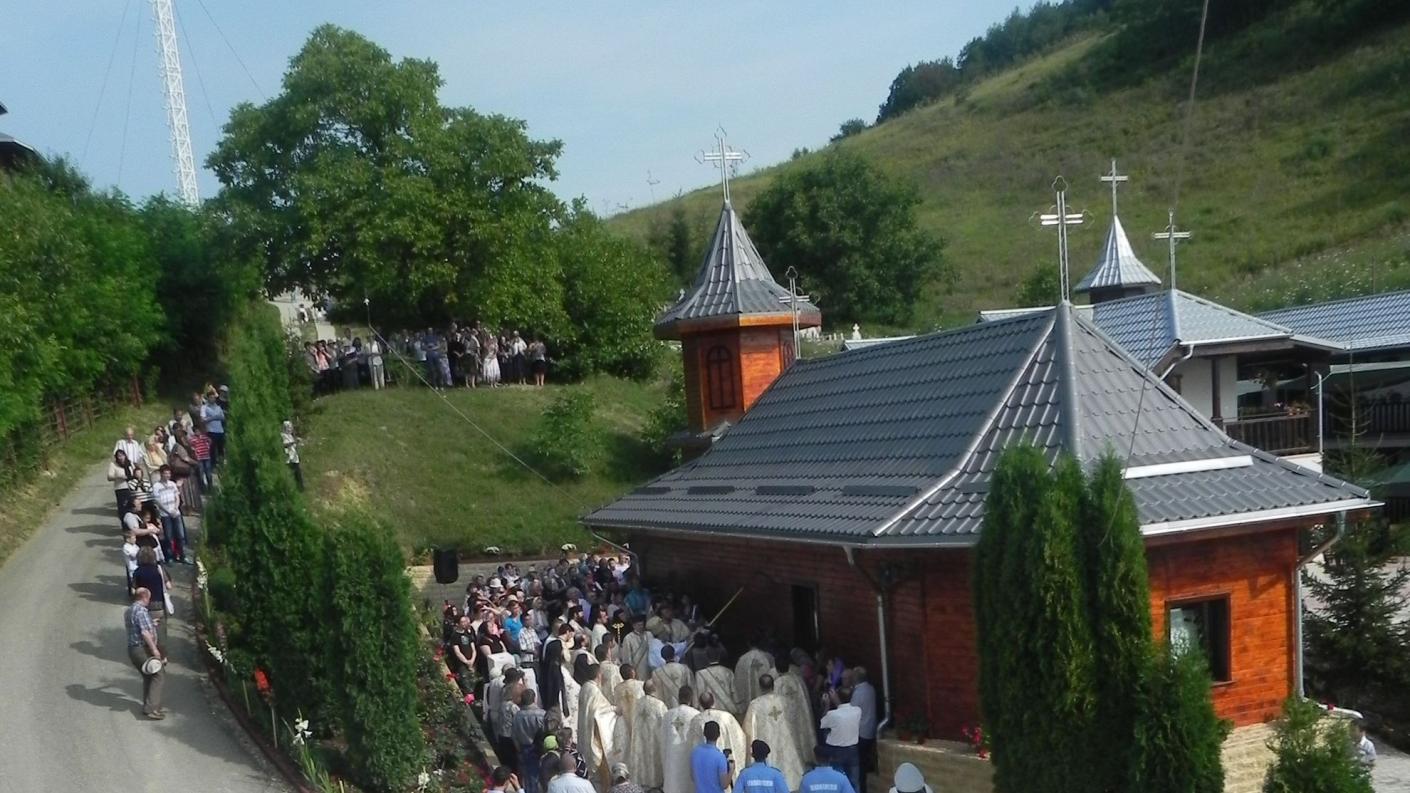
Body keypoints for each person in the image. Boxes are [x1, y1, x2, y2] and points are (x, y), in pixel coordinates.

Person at [742, 674, 806, 791]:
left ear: (760, 687)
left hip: (767, 740)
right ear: (773, 685)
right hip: (786, 741)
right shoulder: (785, 701)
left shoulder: (755, 704)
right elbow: (795, 722)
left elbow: (749, 729)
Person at [577, 663, 627, 788]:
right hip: (595, 735)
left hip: (586, 732)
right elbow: (599, 712)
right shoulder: (593, 690)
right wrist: (615, 709)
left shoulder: (584, 688)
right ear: (598, 675)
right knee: (601, 771)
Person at [126, 587, 166, 719]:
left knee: (148, 675)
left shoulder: (129, 610)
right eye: (149, 598)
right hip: (141, 648)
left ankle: (148, 705)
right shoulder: (141, 611)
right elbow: (144, 633)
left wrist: (151, 623)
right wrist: (154, 650)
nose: (149, 601)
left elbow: (137, 627)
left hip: (132, 649)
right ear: (144, 597)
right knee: (158, 674)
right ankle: (151, 709)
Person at [688, 692, 747, 777]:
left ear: (700, 704)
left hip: (704, 769)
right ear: (714, 702)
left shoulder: (696, 721)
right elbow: (740, 738)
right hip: (726, 768)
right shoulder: (726, 717)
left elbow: (692, 745)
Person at [820, 686, 862, 793]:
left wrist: (827, 704)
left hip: (836, 751)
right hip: (853, 750)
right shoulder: (857, 710)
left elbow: (822, 723)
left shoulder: (833, 714)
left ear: (836, 697)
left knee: (837, 782)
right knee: (854, 782)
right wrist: (837, 700)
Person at [661, 685, 701, 793]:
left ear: (678, 698)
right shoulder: (696, 715)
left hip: (672, 756)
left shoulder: (668, 715)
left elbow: (663, 739)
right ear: (691, 698)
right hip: (688, 755)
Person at [132, 547, 171, 646]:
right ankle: (162, 651)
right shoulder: (159, 569)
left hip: (144, 607)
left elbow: (133, 591)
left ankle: (150, 651)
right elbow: (168, 586)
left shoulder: (137, 572)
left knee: (146, 632)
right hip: (158, 605)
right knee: (161, 633)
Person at [150, 465, 188, 564]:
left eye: (169, 473)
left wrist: (175, 508)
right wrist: (168, 511)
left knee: (180, 535)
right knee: (168, 536)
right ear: (161, 474)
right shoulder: (156, 486)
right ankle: (169, 557)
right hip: (165, 514)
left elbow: (177, 497)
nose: (167, 475)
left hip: (176, 513)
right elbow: (158, 502)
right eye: (165, 473)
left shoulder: (172, 484)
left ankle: (182, 556)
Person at [513, 690, 548, 793]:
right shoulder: (542, 714)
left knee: (528, 777)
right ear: (534, 699)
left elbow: (514, 735)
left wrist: (518, 748)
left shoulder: (517, 716)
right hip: (540, 748)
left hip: (524, 748)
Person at [851, 668, 878, 793]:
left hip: (861, 733)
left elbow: (851, 713)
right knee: (864, 763)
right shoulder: (871, 689)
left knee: (859, 767)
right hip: (870, 730)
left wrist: (836, 700)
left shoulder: (859, 693)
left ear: (855, 678)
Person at [689, 720, 734, 793]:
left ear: (704, 733)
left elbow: (692, 777)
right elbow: (724, 785)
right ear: (719, 735)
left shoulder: (695, 753)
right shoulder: (720, 757)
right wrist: (731, 770)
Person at [694, 651, 740, 716]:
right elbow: (734, 693)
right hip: (727, 712)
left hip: (709, 713)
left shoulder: (700, 674)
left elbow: (699, 694)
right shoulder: (728, 672)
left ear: (707, 657)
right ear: (719, 656)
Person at [734, 639, 774, 707]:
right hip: (764, 701)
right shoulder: (767, 657)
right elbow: (773, 674)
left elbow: (738, 679)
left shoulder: (742, 659)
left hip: (746, 702)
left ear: (748, 644)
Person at [449, 614, 478, 695]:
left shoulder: (468, 633)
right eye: (462, 622)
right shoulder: (455, 636)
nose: (465, 623)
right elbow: (457, 652)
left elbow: (473, 649)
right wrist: (466, 662)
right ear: (457, 624)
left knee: (474, 681)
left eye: (465, 621)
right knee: (466, 683)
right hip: (462, 664)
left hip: (472, 661)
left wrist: (472, 660)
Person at [619, 615, 652, 682]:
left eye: (642, 624)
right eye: (639, 625)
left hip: (649, 666)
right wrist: (630, 671)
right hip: (637, 668)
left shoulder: (649, 635)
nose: (641, 627)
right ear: (633, 626)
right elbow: (627, 656)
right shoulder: (628, 638)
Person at [108, 449, 139, 517]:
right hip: (121, 488)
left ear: (125, 455)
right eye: (119, 456)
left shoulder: (130, 463)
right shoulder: (113, 464)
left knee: (133, 503)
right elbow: (109, 477)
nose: (121, 457)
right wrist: (118, 477)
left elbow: (135, 471)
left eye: (122, 455)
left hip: (132, 486)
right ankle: (124, 517)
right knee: (123, 506)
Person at [614, 665, 645, 732]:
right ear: (633, 673)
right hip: (639, 716)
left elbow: (618, 707)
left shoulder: (617, 688)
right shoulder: (640, 685)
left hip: (625, 720)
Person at [201, 394, 226, 465]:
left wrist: (215, 417)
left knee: (221, 448)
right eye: (211, 397)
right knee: (212, 449)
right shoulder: (204, 407)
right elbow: (203, 420)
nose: (212, 399)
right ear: (208, 398)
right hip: (211, 431)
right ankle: (213, 464)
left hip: (220, 430)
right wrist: (214, 418)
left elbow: (223, 417)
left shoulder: (218, 407)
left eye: (213, 397)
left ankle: (222, 463)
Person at [282, 421, 304, 490]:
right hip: (289, 459)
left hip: (294, 458)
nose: (291, 428)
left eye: (291, 427)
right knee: (291, 475)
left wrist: (298, 443)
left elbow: (294, 446)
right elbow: (285, 445)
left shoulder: (291, 436)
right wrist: (294, 442)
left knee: (298, 475)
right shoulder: (283, 435)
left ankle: (300, 489)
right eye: (289, 427)